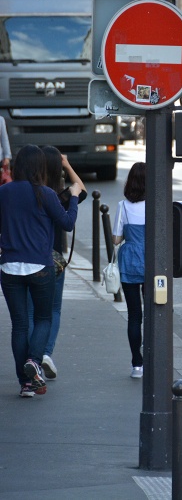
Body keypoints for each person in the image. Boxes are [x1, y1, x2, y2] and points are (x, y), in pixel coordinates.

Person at [0, 144, 81, 397]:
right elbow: (67, 223)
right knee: (44, 318)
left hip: (10, 266)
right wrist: (75, 196)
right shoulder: (45, 193)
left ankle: (25, 384)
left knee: (20, 325)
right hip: (41, 267)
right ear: (39, 168)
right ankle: (34, 361)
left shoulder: (4, 192)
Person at [37, 147, 87, 379]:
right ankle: (46, 353)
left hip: (31, 258)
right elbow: (82, 190)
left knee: (30, 312)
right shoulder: (61, 196)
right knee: (53, 309)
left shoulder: (33, 193)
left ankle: (32, 357)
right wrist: (67, 165)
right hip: (55, 260)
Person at [112, 162, 146, 378]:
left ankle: (137, 364)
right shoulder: (156, 204)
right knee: (155, 313)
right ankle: (154, 357)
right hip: (153, 263)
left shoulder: (123, 206)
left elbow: (116, 239)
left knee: (135, 315)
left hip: (130, 263)